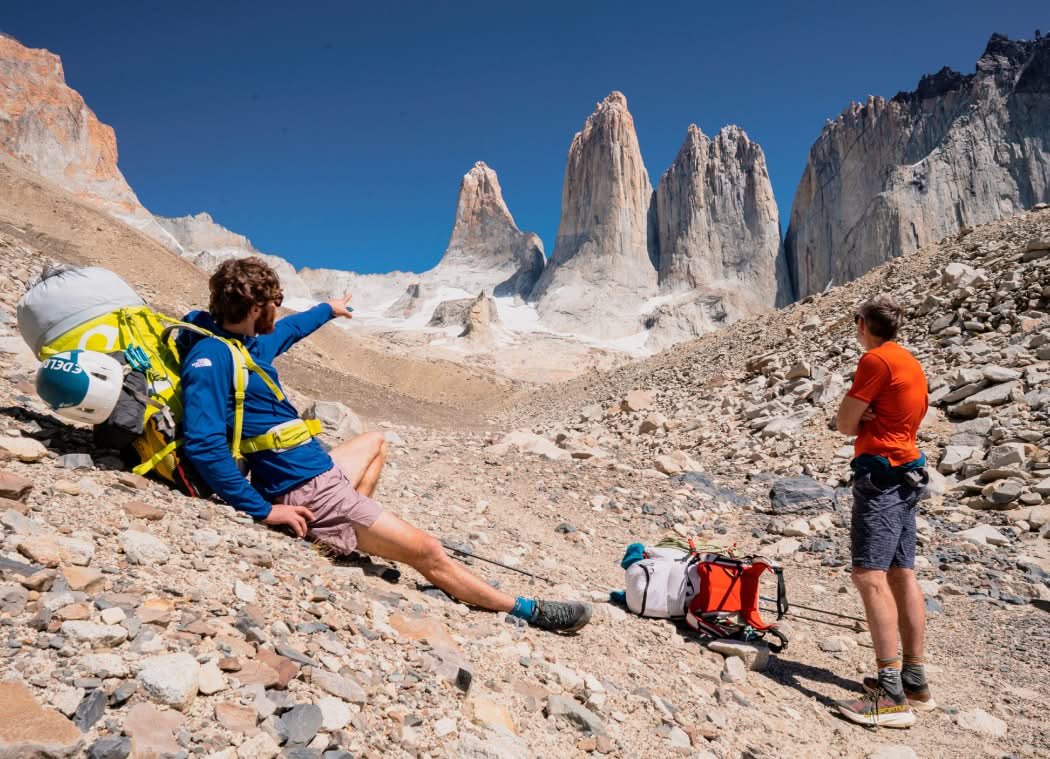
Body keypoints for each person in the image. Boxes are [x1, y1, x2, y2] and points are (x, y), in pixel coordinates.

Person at [179, 257, 591, 633]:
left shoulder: (247, 342)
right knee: (428, 551)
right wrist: (265, 511)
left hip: (318, 474)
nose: (278, 311)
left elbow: (292, 328)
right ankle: (528, 609)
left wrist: (329, 309)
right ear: (255, 309)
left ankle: (343, 534)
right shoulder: (212, 358)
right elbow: (204, 444)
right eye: (274, 303)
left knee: (375, 441)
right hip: (306, 490)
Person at [833, 295, 933, 728]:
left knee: (869, 576)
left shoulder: (875, 361)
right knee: (900, 572)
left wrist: (863, 417)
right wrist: (870, 415)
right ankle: (914, 680)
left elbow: (844, 423)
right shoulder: (908, 360)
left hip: (881, 476)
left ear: (862, 325)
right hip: (908, 472)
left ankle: (890, 696)